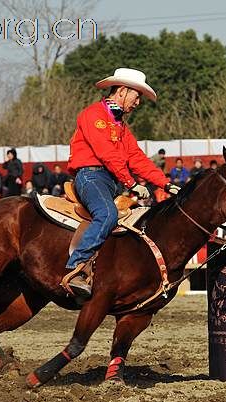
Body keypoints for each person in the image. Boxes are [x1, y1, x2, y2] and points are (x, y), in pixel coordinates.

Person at [65, 67, 179, 298]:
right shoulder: (94, 115)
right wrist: (130, 182)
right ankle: (75, 268)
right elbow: (106, 152)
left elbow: (137, 158)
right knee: (107, 214)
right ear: (123, 92)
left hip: (110, 181)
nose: (138, 103)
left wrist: (165, 184)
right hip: (90, 176)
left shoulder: (121, 127)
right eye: (137, 97)